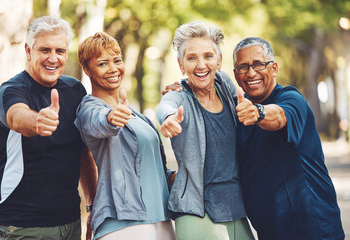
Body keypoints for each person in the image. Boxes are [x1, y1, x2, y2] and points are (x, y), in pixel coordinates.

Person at [0, 16, 97, 240]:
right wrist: (37, 121)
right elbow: (16, 117)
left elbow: (83, 153)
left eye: (60, 50)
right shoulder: (12, 90)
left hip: (69, 221)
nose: (53, 58)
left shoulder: (75, 90)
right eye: (45, 50)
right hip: (21, 224)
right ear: (29, 50)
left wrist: (93, 205)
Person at [234, 37, 345, 240]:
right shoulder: (238, 109)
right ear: (236, 75)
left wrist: (258, 112)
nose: (251, 73)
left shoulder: (292, 99)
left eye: (258, 64)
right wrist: (181, 90)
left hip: (313, 231)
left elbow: (279, 117)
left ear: (274, 68)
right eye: (243, 67)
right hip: (270, 232)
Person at [156, 21, 254, 240]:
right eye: (192, 58)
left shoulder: (224, 84)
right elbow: (166, 106)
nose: (201, 65)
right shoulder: (179, 96)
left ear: (219, 60)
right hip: (196, 211)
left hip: (234, 206)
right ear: (181, 65)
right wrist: (168, 118)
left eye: (208, 56)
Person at [75, 32, 175, 240]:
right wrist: (110, 117)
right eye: (102, 64)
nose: (113, 68)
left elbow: (152, 169)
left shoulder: (137, 116)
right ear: (87, 69)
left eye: (117, 60)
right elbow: (97, 123)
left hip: (160, 219)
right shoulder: (89, 108)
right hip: (123, 225)